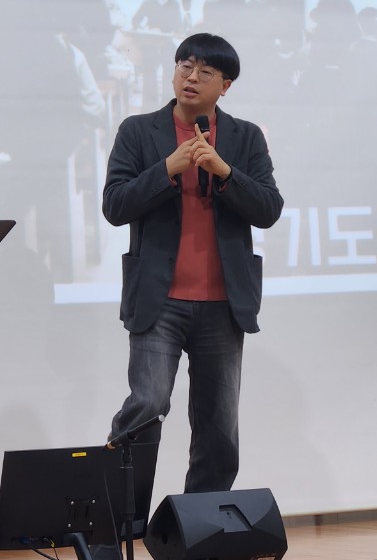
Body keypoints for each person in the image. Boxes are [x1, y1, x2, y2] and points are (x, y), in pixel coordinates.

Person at [102, 32, 284, 493]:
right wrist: (168, 168)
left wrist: (225, 172)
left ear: (225, 86)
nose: (191, 76)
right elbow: (115, 205)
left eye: (206, 71)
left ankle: (201, 524)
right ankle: (122, 523)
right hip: (158, 301)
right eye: (184, 65)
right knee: (147, 405)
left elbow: (269, 208)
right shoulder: (138, 131)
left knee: (218, 428)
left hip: (224, 303)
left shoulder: (245, 137)